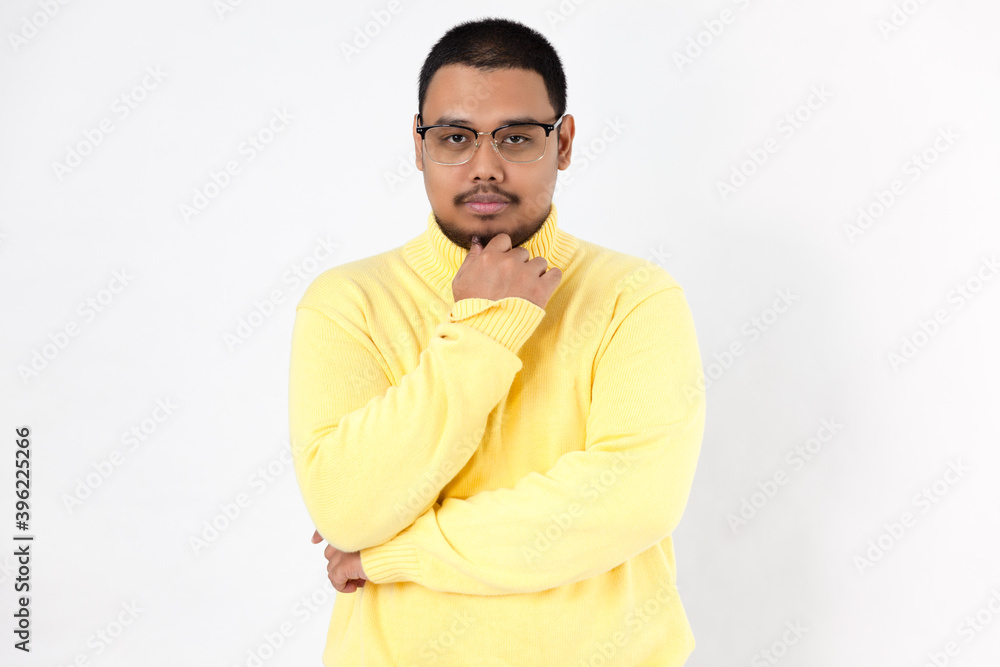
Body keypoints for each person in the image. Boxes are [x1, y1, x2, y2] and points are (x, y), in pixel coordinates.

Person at [288, 16, 706, 666]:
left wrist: (392, 551)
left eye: (516, 137)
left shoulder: (634, 298)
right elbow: (347, 506)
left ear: (563, 142)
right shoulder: (350, 302)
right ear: (419, 144)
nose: (485, 167)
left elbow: (630, 502)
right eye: (455, 137)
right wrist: (486, 326)